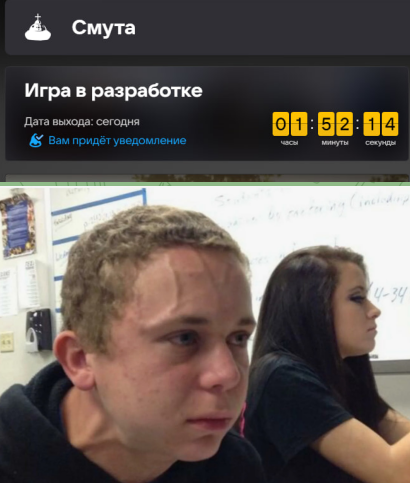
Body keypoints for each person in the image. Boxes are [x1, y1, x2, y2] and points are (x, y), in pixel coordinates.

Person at [0, 205, 266, 483]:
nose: (229, 374)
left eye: (239, 338)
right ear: (80, 359)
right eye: (185, 338)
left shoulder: (234, 466)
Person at [244, 246, 410, 483]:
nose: (374, 310)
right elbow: (396, 473)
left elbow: (398, 436)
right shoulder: (282, 377)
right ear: (312, 305)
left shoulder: (344, 371)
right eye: (357, 298)